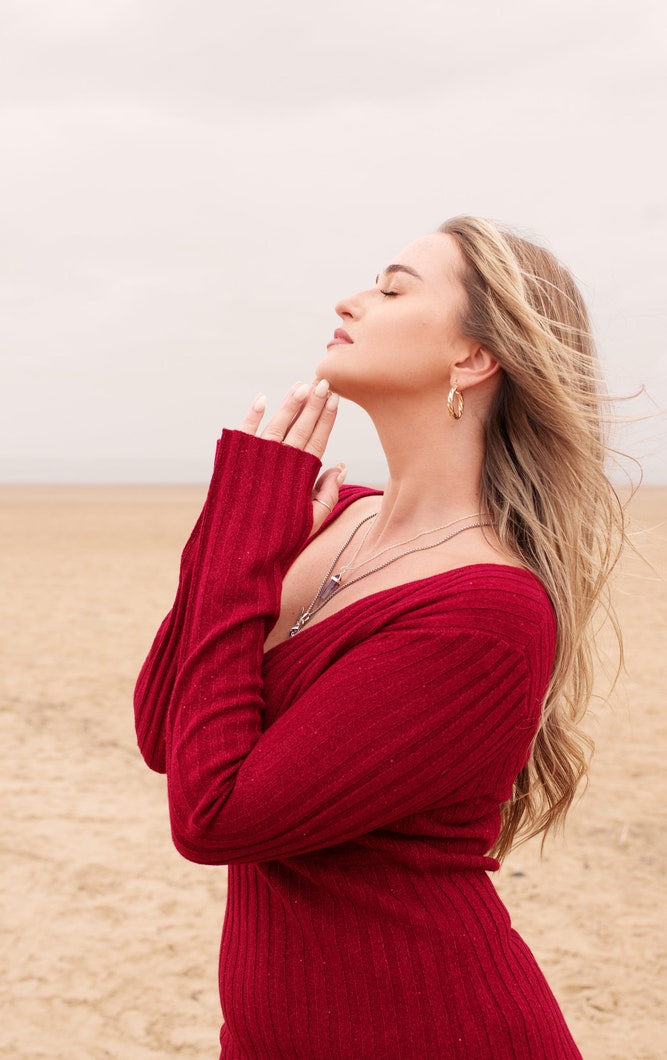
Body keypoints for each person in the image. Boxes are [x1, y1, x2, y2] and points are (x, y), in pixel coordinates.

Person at [134, 215, 626, 1058]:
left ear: (473, 358)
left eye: (394, 288)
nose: (351, 298)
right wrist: (238, 527)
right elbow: (163, 734)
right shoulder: (339, 517)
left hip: (430, 1031)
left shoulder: (488, 614)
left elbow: (211, 816)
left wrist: (244, 539)